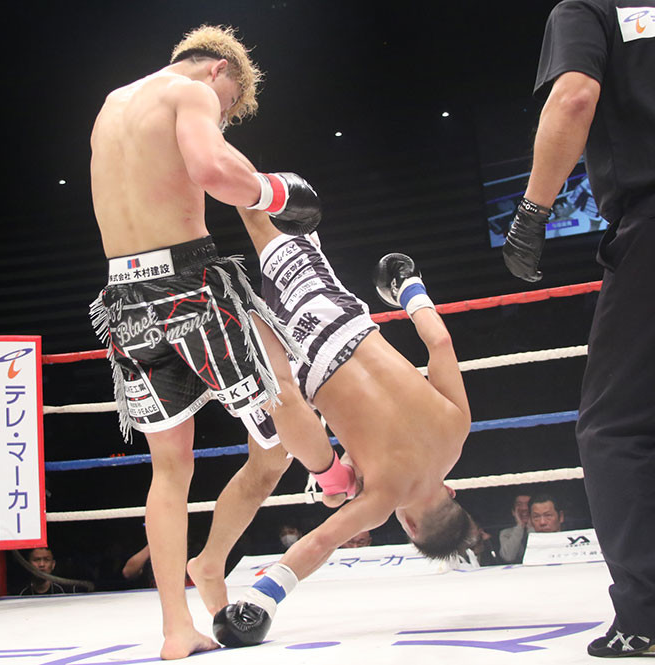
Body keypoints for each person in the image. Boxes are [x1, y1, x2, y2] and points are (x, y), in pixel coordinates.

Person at [88, 25, 354, 659]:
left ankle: (176, 629)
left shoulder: (113, 104)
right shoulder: (194, 92)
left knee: (170, 469)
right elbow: (214, 171)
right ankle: (336, 477)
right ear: (219, 70)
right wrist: (278, 192)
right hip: (189, 283)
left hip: (123, 298)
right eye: (230, 105)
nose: (224, 115)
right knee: (280, 394)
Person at [190, 205, 474, 648]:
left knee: (268, 465)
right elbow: (319, 544)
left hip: (337, 321)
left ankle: (210, 563)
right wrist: (261, 601)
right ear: (412, 529)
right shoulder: (382, 499)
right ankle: (207, 171)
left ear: (451, 493)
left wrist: (409, 287)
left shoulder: (457, 429)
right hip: (300, 365)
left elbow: (440, 341)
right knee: (253, 219)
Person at [502, 1, 655, 657]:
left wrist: (533, 212)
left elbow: (574, 96)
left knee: (616, 427)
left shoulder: (587, 8)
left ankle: (646, 616)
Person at [498, 493, 532, 564]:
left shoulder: (543, 530)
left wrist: (531, 528)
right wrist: (520, 526)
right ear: (513, 512)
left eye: (528, 504)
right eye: (519, 504)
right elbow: (508, 557)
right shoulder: (506, 533)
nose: (524, 508)